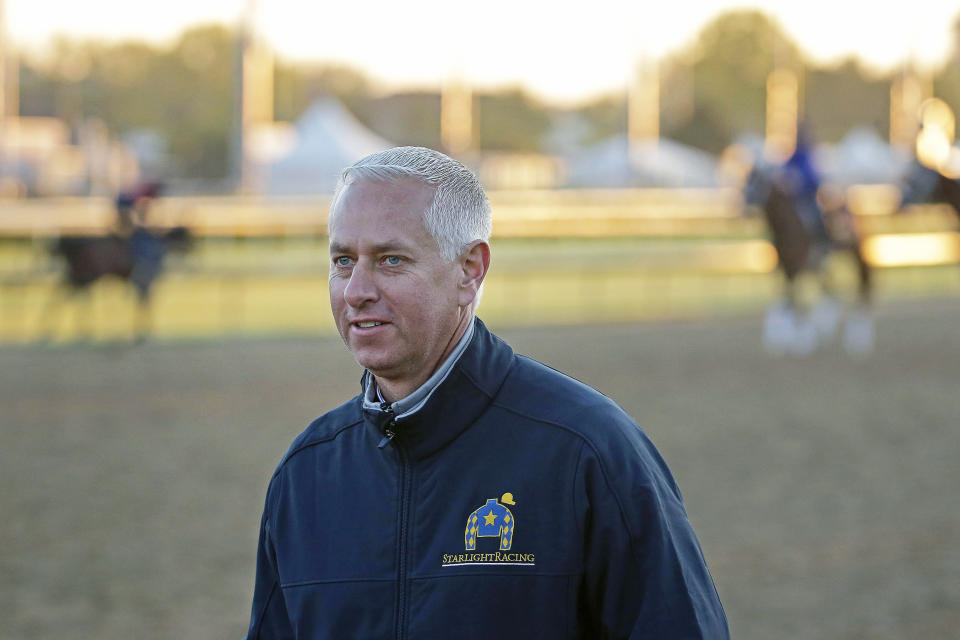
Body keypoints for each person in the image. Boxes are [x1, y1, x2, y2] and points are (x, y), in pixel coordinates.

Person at [244, 147, 729, 639]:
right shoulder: (305, 473)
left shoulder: (588, 449)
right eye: (343, 260)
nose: (356, 291)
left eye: (391, 260)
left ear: (470, 269)